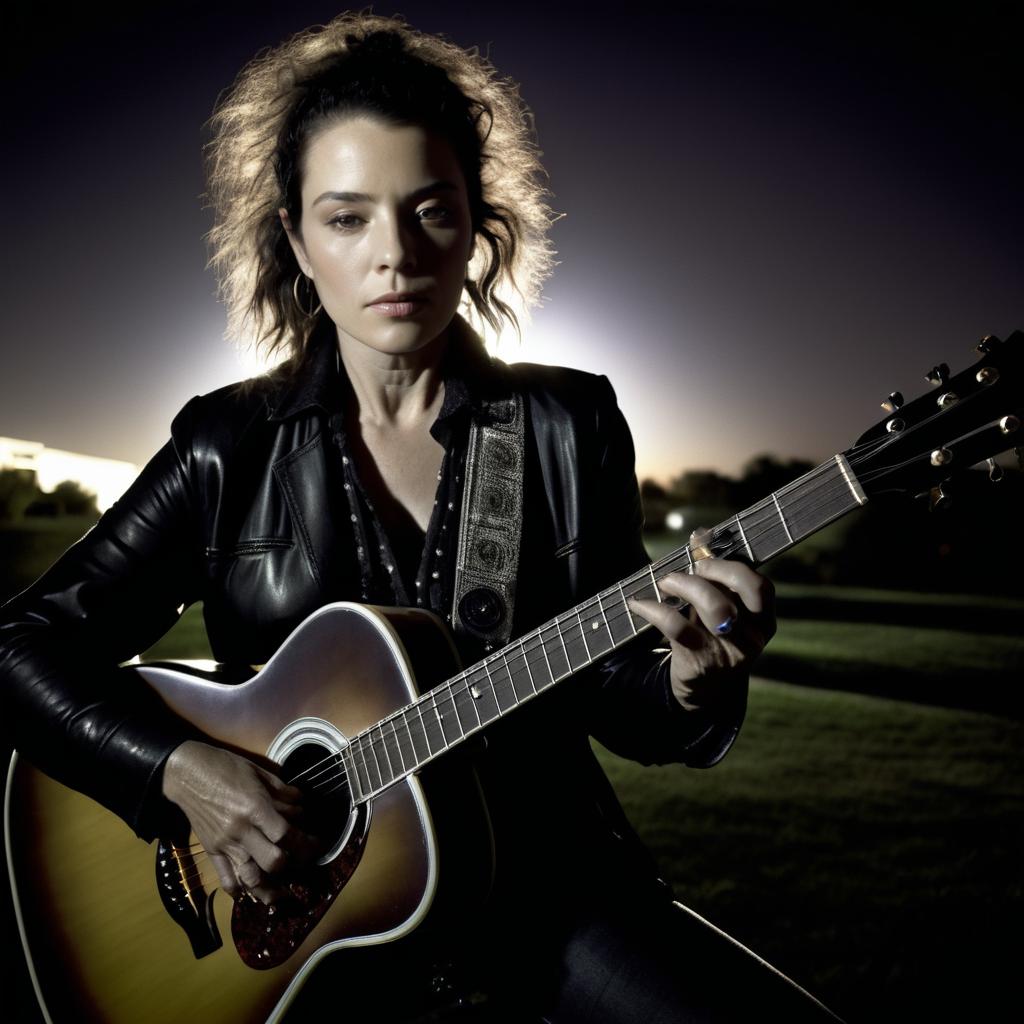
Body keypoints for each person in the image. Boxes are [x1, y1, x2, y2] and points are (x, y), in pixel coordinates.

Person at [0, 11, 841, 1022]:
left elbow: (620, 695)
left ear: (477, 226)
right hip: (310, 921)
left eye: (430, 209)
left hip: (547, 891)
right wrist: (183, 772)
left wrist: (691, 682)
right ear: (297, 241)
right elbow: (21, 648)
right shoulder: (227, 444)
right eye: (348, 218)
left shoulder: (565, 422)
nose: (393, 254)